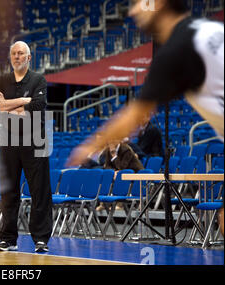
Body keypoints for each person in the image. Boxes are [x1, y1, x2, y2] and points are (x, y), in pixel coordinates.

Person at [66, 0, 223, 238]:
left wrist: (89, 146)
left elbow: (133, 115)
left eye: (140, 3)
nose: (132, 11)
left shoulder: (177, 48)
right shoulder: (206, 29)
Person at [0, 41, 53, 253]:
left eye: (21, 53)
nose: (17, 56)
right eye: (14, 54)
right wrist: (22, 101)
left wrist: (8, 104)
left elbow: (37, 107)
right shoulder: (2, 80)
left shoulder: (38, 79)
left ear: (29, 58)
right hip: (9, 141)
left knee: (39, 191)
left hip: (35, 141)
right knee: (8, 192)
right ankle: (8, 239)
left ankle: (41, 239)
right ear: (10, 58)